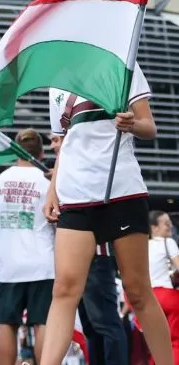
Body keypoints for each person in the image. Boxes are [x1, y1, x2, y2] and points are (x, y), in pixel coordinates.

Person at [42, 68, 174, 365]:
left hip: (121, 190)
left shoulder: (121, 62)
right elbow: (65, 142)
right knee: (64, 289)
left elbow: (149, 127)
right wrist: (53, 189)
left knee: (138, 291)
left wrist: (132, 123)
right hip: (75, 195)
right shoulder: (57, 80)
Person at [49, 132, 128, 365]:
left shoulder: (85, 163)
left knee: (105, 323)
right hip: (73, 258)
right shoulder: (64, 170)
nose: (53, 144)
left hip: (95, 254)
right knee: (92, 326)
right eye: (52, 140)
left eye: (56, 139)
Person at [0, 129, 55, 365]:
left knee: (7, 324)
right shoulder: (48, 180)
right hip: (43, 263)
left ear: (15, 153)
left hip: (9, 266)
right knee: (43, 323)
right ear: (41, 153)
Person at [148, 211, 179, 363]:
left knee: (156, 343)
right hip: (168, 296)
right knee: (176, 341)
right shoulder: (168, 242)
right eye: (166, 223)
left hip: (149, 299)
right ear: (154, 227)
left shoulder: (142, 246)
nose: (171, 226)